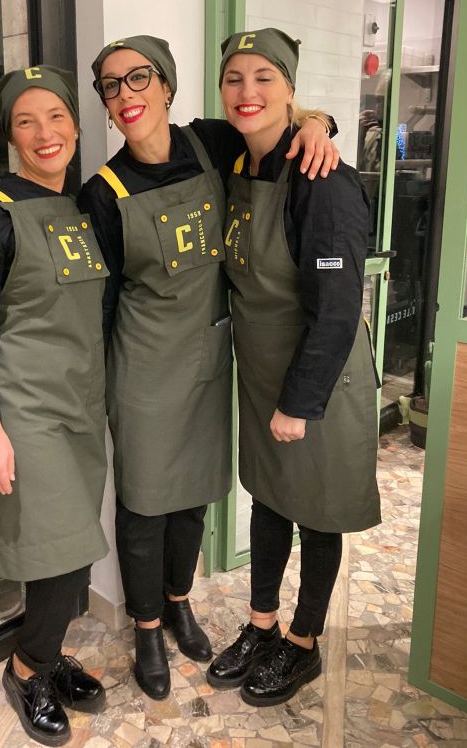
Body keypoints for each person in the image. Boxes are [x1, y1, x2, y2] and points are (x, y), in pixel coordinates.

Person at [78, 35, 339, 701]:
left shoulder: (210, 143)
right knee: (144, 504)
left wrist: (319, 123)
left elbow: (275, 130)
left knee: (192, 495)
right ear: (105, 103)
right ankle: (145, 628)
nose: (127, 94)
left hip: (208, 358)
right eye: (111, 85)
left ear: (167, 86)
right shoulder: (103, 192)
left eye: (140, 78)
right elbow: (100, 302)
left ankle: (178, 602)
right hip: (142, 366)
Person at [206, 28, 381, 706]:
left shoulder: (322, 180)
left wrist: (298, 403)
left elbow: (337, 309)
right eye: (234, 78)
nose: (246, 92)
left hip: (318, 379)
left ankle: (302, 643)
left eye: (264, 78)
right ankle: (261, 626)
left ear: (288, 87)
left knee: (317, 511)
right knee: (270, 499)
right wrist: (317, 119)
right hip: (262, 372)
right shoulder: (234, 157)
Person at [0, 65, 109, 746]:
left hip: (79, 405)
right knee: (60, 552)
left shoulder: (82, 205)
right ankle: (25, 669)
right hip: (22, 410)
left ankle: (47, 653)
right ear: (10, 136)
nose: (44, 133)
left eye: (56, 117)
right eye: (25, 121)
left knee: (69, 550)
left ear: (75, 125)